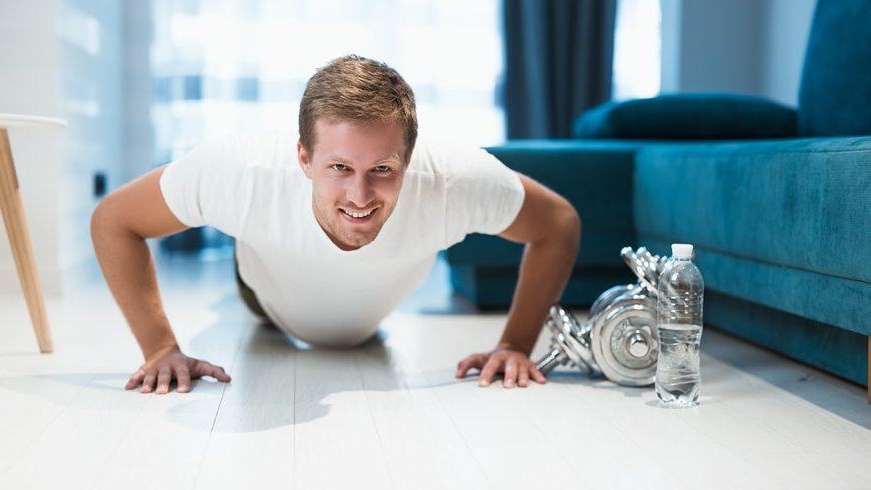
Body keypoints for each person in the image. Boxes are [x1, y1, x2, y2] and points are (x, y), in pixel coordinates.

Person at [90, 54, 581, 395]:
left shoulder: (454, 181)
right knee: (241, 303)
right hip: (267, 294)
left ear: (409, 159)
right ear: (304, 158)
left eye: (382, 169)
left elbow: (558, 223)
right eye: (340, 167)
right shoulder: (240, 173)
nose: (359, 196)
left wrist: (515, 344)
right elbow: (114, 220)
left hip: (367, 312)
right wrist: (160, 349)